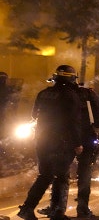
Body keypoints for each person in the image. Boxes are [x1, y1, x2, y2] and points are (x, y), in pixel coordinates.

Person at [18, 65, 83, 220]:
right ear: (72, 78)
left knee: (45, 175)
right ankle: (57, 212)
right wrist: (77, 143)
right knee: (61, 176)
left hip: (41, 140)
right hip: (61, 142)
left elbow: (34, 115)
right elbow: (72, 122)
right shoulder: (70, 95)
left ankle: (27, 208)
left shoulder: (44, 93)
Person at [38, 80, 99, 218]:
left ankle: (57, 208)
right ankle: (83, 208)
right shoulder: (88, 93)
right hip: (86, 137)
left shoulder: (52, 94)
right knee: (84, 173)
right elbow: (98, 120)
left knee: (60, 173)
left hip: (63, 138)